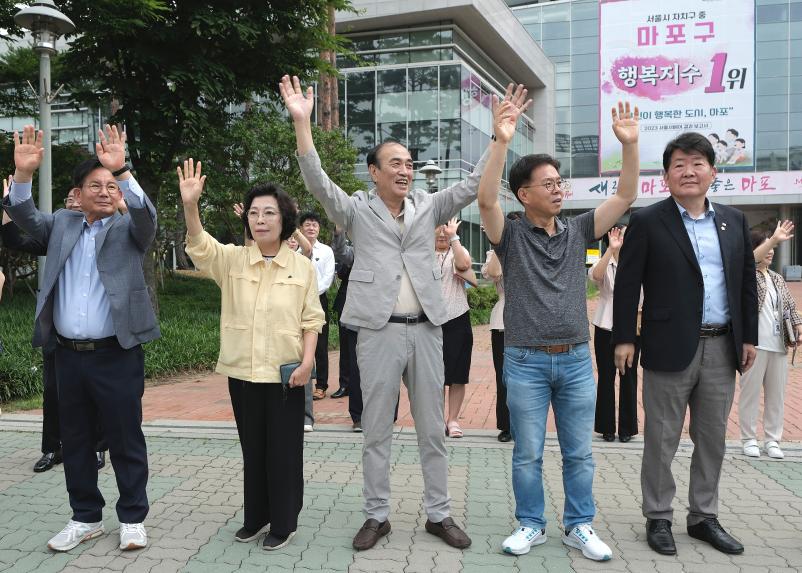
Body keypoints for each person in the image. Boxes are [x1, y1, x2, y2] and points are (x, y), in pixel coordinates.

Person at [282, 73, 530, 552]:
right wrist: (302, 124)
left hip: (427, 331)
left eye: (410, 164)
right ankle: (377, 516)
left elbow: (471, 185)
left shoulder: (428, 206)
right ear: (373, 172)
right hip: (377, 333)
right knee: (376, 429)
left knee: (433, 429)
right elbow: (317, 182)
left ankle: (439, 513)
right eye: (395, 163)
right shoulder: (355, 210)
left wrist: (499, 139)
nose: (405, 170)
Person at [478, 101, 640, 561]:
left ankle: (579, 525)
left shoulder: (577, 229)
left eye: (558, 182)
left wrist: (630, 146)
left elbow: (625, 196)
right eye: (547, 184)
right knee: (527, 452)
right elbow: (486, 201)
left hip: (575, 360)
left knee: (579, 453)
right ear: (524, 194)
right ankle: (530, 524)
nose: (557, 189)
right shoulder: (509, 237)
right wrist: (501, 141)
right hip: (525, 360)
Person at [5, 124, 159, 553]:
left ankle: (132, 517)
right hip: (68, 356)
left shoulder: (129, 229)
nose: (106, 192)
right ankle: (85, 517)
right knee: (74, 440)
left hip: (117, 354)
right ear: (78, 192)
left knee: (125, 438)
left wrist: (122, 170)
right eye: (96, 185)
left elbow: (147, 217)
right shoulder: (62, 224)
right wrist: (23, 174)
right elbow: (24, 217)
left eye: (112, 186)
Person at [613, 132, 758, 557]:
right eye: (678, 164)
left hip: (722, 346)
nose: (688, 171)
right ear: (666, 176)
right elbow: (628, 284)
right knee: (662, 437)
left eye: (697, 163)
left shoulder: (734, 221)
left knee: (712, 437)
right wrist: (624, 338)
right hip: (667, 345)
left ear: (713, 172)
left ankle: (703, 517)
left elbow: (745, 284)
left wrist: (749, 336)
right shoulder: (647, 220)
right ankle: (658, 516)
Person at [179, 159, 324, 550]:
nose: (261, 219)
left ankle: (284, 522)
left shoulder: (302, 267)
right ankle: (256, 517)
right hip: (243, 374)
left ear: (284, 219)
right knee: (253, 450)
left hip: (286, 376)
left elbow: (312, 319)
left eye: (269, 213)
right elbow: (200, 246)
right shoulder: (233, 260)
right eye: (255, 213)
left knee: (284, 453)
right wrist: (191, 207)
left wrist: (308, 363)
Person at [2, 177, 108, 473]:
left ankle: (98, 446)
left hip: (96, 330)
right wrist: (8, 208)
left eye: (77, 200)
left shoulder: (105, 232)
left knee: (95, 391)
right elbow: (15, 240)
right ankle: (53, 448)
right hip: (58, 330)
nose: (73, 205)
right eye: (68, 202)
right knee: (53, 390)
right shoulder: (56, 234)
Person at [739, 221, 801, 459]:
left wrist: (797, 326)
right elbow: (749, 260)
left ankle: (772, 440)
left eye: (773, 248)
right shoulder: (746, 275)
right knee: (750, 395)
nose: (772, 251)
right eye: (767, 247)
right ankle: (748, 439)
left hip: (778, 345)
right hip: (754, 346)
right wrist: (774, 238)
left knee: (777, 397)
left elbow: (790, 307)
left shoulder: (777, 278)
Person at [588, 225, 639, 443]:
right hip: (605, 325)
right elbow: (595, 276)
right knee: (606, 377)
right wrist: (610, 250)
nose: (623, 240)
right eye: (620, 236)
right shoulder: (605, 262)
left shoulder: (637, 262)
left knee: (629, 377)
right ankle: (606, 426)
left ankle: (627, 428)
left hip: (631, 328)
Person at [435, 217, 473, 438]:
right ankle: (437, 420)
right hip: (430, 322)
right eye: (438, 229)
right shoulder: (422, 253)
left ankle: (453, 420)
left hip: (458, 319)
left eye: (446, 230)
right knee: (435, 375)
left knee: (458, 374)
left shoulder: (458, 250)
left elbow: (464, 265)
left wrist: (454, 238)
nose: (442, 234)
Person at [481, 220, 517, 443]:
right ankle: (506, 425)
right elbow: (494, 273)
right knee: (503, 376)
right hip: (502, 321)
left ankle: (526, 425)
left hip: (532, 322)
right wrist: (498, 242)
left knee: (530, 378)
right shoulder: (495, 253)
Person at [300, 212, 335, 400]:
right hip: (296, 301)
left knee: (320, 345)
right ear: (300, 228)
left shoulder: (326, 251)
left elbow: (327, 279)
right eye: (307, 224)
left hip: (318, 300)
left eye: (315, 225)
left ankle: (321, 385)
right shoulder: (294, 249)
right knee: (298, 342)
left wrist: (309, 294)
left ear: (319, 229)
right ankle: (301, 381)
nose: (311, 228)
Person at [331, 226, 354, 403]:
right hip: (347, 301)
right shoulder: (351, 251)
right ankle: (345, 384)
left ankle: (361, 386)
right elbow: (341, 272)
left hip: (373, 305)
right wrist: (339, 231)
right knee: (346, 347)